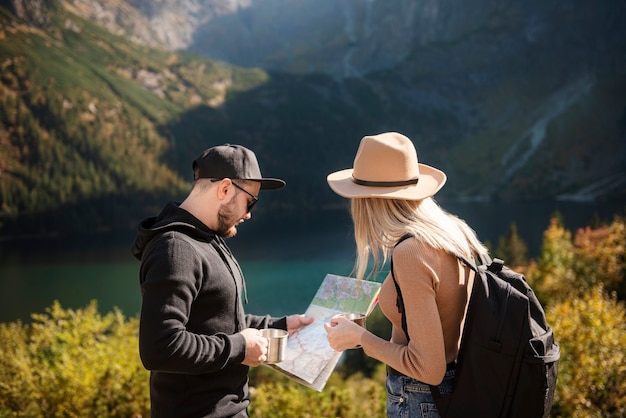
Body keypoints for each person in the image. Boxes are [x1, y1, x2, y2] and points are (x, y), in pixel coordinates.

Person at [132, 144, 313, 418]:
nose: (249, 213)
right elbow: (160, 348)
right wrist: (240, 348)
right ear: (225, 189)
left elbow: (215, 319)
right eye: (250, 201)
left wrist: (278, 326)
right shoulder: (176, 249)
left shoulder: (205, 239)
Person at [323, 132, 489, 417]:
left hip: (422, 401)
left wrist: (361, 338)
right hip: (458, 389)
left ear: (369, 200)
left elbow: (429, 367)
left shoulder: (410, 252)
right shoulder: (453, 232)